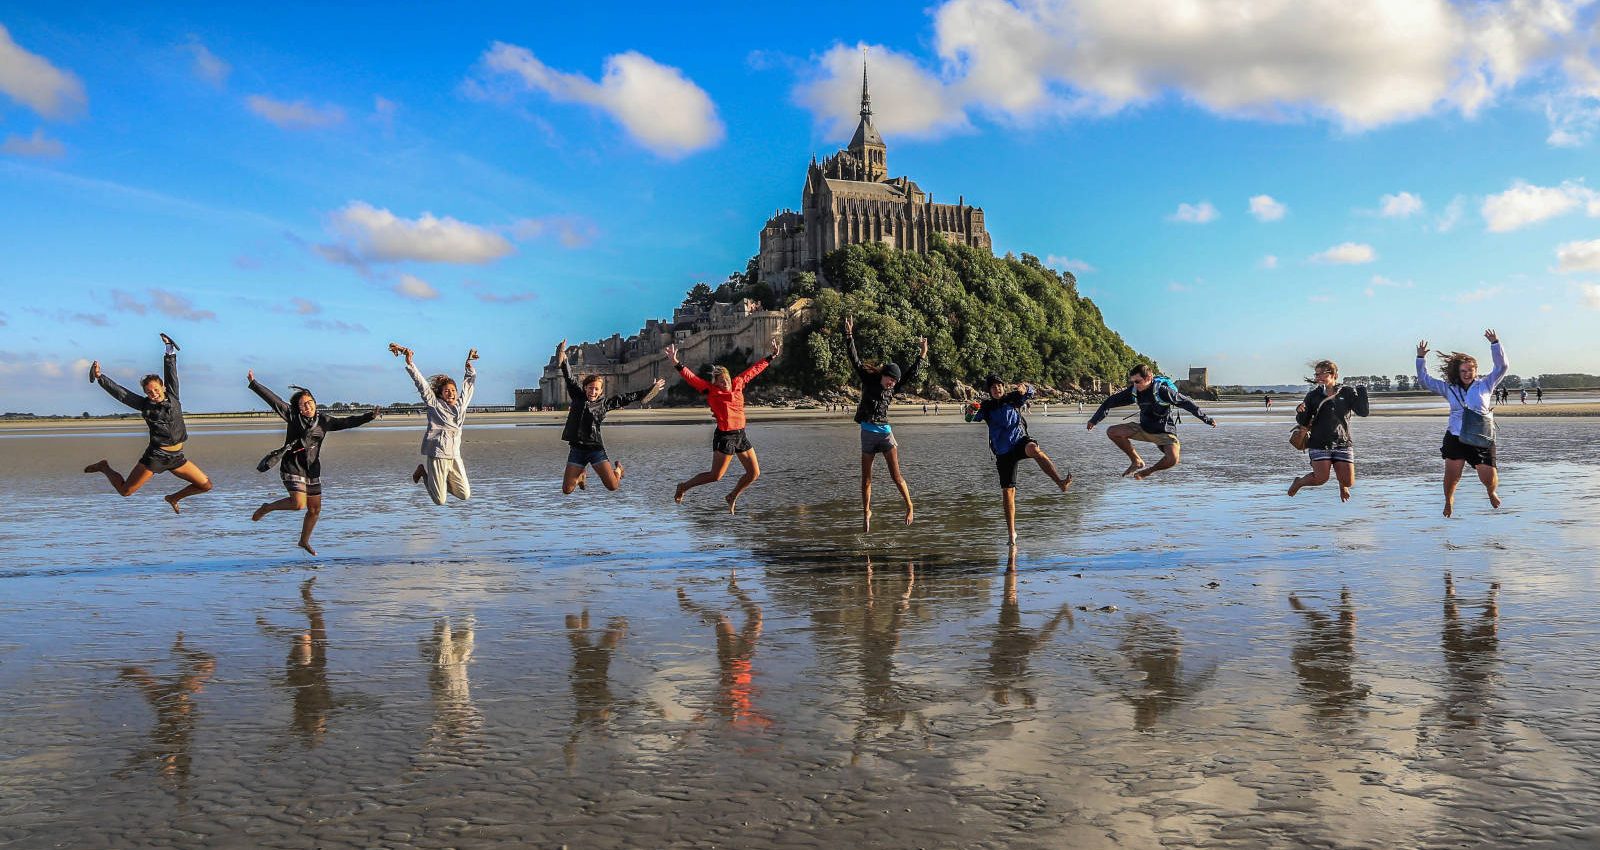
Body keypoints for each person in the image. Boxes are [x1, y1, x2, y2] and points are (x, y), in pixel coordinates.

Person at [246, 371, 380, 554]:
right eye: (303, 405)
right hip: (292, 465)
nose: (307, 406)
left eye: (309, 402)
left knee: (315, 509)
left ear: (315, 403)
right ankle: (267, 507)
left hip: (312, 468)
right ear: (299, 408)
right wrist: (254, 384)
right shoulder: (293, 416)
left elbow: (347, 422)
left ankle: (303, 541)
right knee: (298, 504)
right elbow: (274, 400)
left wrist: (369, 416)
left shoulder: (324, 420)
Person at [84, 333, 213, 513]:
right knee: (125, 491)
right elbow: (122, 394)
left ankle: (173, 498)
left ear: (163, 388)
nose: (153, 393)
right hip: (156, 457)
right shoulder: (145, 405)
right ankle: (104, 467)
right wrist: (100, 377)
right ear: (146, 393)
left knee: (206, 485)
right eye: (149, 391)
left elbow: (171, 373)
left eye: (156, 389)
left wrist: (169, 348)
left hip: (177, 458)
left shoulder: (173, 396)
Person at [665, 338, 780, 513]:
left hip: (741, 435)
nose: (723, 382)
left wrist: (771, 356)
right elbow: (692, 379)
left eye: (724, 379)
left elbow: (754, 370)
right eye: (719, 381)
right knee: (715, 476)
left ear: (728, 377)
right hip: (725, 437)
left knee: (754, 473)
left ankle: (732, 496)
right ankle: (683, 486)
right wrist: (676, 363)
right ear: (715, 383)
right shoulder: (711, 391)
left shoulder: (738, 383)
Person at [966, 375, 1071, 546]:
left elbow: (1030, 391)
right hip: (1002, 452)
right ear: (989, 391)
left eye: (1000, 386)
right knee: (1008, 493)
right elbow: (969, 419)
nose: (997, 389)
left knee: (1034, 449)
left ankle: (1060, 482)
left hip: (1019, 441)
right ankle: (1011, 534)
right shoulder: (987, 407)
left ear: (1004, 388)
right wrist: (970, 411)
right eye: (993, 387)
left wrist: (1026, 388)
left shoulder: (1013, 399)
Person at [843, 316, 927, 531]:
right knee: (866, 479)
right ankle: (867, 511)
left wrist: (922, 355)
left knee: (895, 476)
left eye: (895, 382)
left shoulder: (893, 389)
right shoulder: (869, 380)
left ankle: (909, 506)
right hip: (867, 434)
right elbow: (855, 360)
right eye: (891, 380)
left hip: (885, 434)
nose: (893, 384)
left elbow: (910, 375)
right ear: (884, 375)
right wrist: (849, 335)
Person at [1415, 330, 1507, 517]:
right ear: (1458, 372)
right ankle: (1448, 500)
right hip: (1455, 437)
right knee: (1452, 476)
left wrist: (1495, 343)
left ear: (1475, 370)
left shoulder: (1486, 384)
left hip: (1480, 437)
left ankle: (1491, 492)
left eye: (1470, 370)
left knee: (1488, 477)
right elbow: (1425, 381)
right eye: (1463, 371)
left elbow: (1502, 366)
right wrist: (1420, 358)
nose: (1467, 374)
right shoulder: (1449, 388)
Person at [554, 339, 664, 494]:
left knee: (613, 486)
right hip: (577, 449)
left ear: (601, 391)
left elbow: (626, 397)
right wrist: (561, 354)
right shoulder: (577, 396)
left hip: (595, 449)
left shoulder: (605, 404)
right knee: (567, 490)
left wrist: (649, 390)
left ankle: (619, 470)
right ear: (585, 387)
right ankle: (580, 477)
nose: (593, 392)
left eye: (596, 389)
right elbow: (569, 377)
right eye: (590, 388)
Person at [1087, 364, 1216, 479]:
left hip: (1165, 432)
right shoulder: (1134, 391)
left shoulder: (1162, 391)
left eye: (1138, 381)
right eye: (1133, 382)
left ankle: (1148, 471)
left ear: (1149, 377)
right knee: (1112, 431)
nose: (1135, 385)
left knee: (1173, 459)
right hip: (1143, 429)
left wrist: (1206, 419)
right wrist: (1095, 420)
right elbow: (1110, 401)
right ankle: (1136, 461)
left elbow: (1187, 403)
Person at [390, 343, 477, 505]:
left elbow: (468, 388)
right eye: (446, 391)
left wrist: (469, 369)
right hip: (438, 454)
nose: (450, 393)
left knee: (465, 494)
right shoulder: (434, 404)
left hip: (454, 456)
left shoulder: (460, 404)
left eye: (453, 391)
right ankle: (423, 473)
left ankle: (439, 483)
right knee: (440, 500)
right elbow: (422, 385)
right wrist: (410, 364)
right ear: (440, 394)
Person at [1287, 360, 1370, 502]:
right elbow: (1303, 422)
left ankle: (1342, 485)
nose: (1317, 377)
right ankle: (1299, 482)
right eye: (1316, 374)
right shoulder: (1313, 396)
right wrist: (1300, 411)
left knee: (1348, 482)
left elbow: (1363, 412)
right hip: (1319, 442)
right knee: (1321, 479)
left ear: (1334, 374)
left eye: (1321, 374)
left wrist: (1362, 391)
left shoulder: (1347, 392)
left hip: (1342, 442)